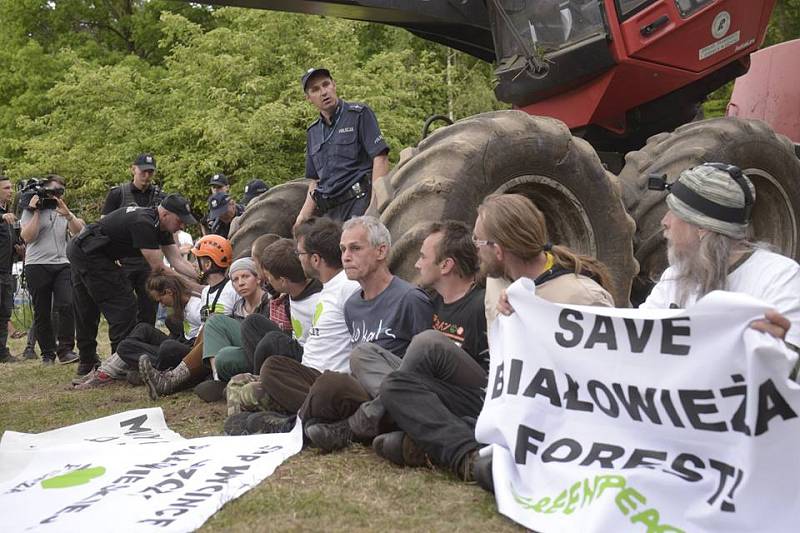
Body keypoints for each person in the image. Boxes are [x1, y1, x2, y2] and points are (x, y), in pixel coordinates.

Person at [383, 194, 615, 483]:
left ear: (499, 249)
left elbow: (606, 378)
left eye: (479, 242)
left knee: (392, 442)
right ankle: (469, 453)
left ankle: (453, 448)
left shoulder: (582, 296)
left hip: (549, 411)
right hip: (497, 397)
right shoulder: (496, 282)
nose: (474, 249)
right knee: (396, 385)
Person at [299, 216, 434, 450]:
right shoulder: (352, 304)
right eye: (343, 249)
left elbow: (426, 368)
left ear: (381, 251)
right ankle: (307, 422)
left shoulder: (410, 299)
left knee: (331, 383)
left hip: (399, 391)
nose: (345, 257)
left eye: (355, 248)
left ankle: (300, 424)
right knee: (286, 370)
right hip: (362, 392)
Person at [640, 163, 800, 350]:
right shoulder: (675, 276)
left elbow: (791, 366)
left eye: (674, 213)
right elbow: (639, 337)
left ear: (702, 227)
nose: (664, 222)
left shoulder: (780, 279)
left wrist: (780, 352)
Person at [224, 217, 361, 435]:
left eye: (300, 254)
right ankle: (275, 420)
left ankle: (295, 421)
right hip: (304, 374)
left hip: (326, 381)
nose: (297, 259)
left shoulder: (347, 287)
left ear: (315, 259)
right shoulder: (329, 288)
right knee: (240, 381)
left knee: (267, 371)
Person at [68, 193, 199, 377]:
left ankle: (93, 362)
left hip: (91, 250)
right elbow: (159, 269)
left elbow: (177, 261)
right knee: (122, 304)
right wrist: (198, 290)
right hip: (87, 252)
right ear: (165, 215)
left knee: (92, 306)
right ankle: (119, 364)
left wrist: (201, 277)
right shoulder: (143, 223)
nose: (182, 226)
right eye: (180, 220)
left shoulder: (159, 225)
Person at [138, 235, 240, 399]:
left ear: (207, 264)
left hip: (224, 349)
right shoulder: (206, 292)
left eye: (197, 260)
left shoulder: (232, 288)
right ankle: (166, 380)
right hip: (206, 350)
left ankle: (169, 380)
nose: (194, 265)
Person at [293, 68, 390, 227]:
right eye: (315, 89)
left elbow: (381, 159)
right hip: (329, 214)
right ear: (308, 98)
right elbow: (315, 180)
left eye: (326, 85)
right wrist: (302, 217)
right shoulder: (313, 132)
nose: (323, 92)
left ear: (334, 85)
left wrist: (373, 209)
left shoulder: (359, 114)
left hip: (360, 203)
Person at [74, 273, 203, 389]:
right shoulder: (183, 306)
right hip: (183, 342)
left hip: (190, 353)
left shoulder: (196, 308)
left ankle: (110, 371)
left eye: (161, 300)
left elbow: (203, 341)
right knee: (143, 328)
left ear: (169, 292)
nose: (162, 305)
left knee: (129, 347)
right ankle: (108, 370)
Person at [19, 175, 83, 365]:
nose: (55, 195)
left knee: (67, 304)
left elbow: (79, 231)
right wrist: (36, 211)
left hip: (62, 262)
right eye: (52, 191)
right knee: (42, 311)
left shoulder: (61, 209)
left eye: (59, 191)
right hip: (37, 264)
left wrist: (67, 214)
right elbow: (27, 237)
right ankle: (48, 352)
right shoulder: (29, 210)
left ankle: (66, 349)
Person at [101, 153, 165, 326]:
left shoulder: (160, 197)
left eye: (150, 172)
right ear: (133, 169)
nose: (146, 176)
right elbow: (103, 227)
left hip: (148, 261)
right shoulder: (117, 194)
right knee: (123, 307)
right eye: (143, 171)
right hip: (123, 260)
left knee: (149, 307)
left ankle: (145, 343)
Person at [200, 257, 269, 385]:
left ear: (258, 278)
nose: (240, 283)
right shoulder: (237, 307)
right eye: (235, 280)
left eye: (245, 276)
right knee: (224, 355)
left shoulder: (270, 301)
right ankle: (218, 379)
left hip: (266, 354)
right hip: (246, 353)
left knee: (224, 351)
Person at [0, 176, 20, 363]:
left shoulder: (9, 213)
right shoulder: (3, 215)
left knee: (4, 312)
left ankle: (2, 352)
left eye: (11, 187)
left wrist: (18, 250)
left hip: (6, 272)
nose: (10, 191)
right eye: (6, 187)